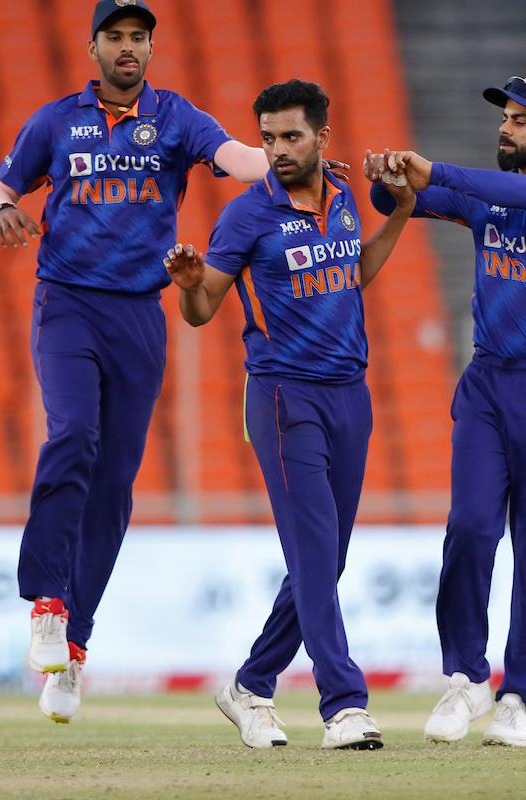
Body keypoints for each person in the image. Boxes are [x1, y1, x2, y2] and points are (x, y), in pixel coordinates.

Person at [0, 0, 346, 724]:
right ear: (93, 47)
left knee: (115, 488)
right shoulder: (56, 121)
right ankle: (47, 604)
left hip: (138, 316)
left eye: (139, 37)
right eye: (115, 36)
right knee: (72, 435)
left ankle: (73, 651)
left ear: (150, 47)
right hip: (68, 305)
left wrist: (274, 163)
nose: (127, 47)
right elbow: (0, 184)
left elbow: (235, 156)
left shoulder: (175, 117)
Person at [164, 79, 415, 750]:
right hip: (281, 395)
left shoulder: (342, 201)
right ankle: (344, 703)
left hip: (349, 395)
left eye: (290, 136)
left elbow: (353, 273)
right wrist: (190, 288)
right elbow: (202, 309)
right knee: (311, 551)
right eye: (268, 137)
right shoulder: (247, 216)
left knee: (323, 560)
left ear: (322, 138)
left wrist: (397, 215)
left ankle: (250, 684)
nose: (276, 149)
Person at [370, 73, 526, 746]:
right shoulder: (488, 203)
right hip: (487, 385)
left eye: (521, 119)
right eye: (505, 117)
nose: (506, 128)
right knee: (471, 529)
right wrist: (389, 176)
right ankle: (465, 679)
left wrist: (436, 169)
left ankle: (518, 700)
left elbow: (520, 192)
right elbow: (397, 198)